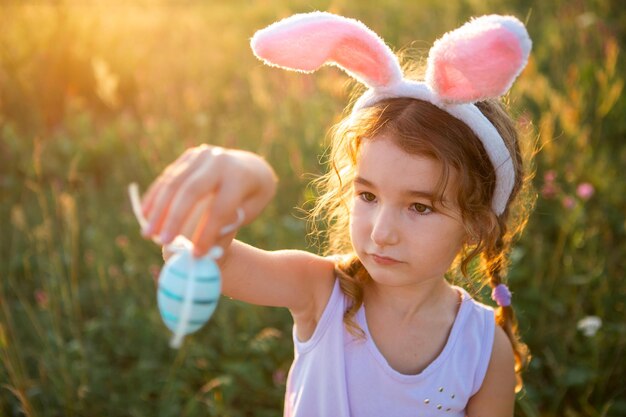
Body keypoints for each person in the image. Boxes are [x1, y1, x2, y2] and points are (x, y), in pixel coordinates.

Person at [139, 12, 534, 417]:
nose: (382, 233)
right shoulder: (322, 293)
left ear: (477, 225)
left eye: (419, 207)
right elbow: (197, 257)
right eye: (368, 195)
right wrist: (248, 175)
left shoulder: (484, 350)